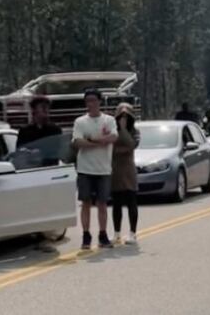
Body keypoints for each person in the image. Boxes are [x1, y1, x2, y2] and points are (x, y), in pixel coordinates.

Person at [72, 88, 118, 250]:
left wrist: (90, 139)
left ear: (99, 101)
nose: (90, 103)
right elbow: (78, 142)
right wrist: (98, 142)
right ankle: (86, 235)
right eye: (88, 101)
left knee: (102, 203)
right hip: (85, 168)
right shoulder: (80, 122)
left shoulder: (109, 120)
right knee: (85, 203)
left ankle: (103, 234)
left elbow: (113, 137)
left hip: (103, 168)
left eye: (93, 100)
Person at [111, 103, 140, 245]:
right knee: (116, 203)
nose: (123, 118)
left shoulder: (135, 132)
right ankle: (116, 233)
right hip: (115, 170)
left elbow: (130, 145)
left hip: (129, 170)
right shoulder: (112, 131)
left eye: (126, 116)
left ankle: (133, 233)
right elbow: (111, 149)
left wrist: (123, 129)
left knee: (131, 202)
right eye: (121, 116)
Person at [16, 96, 63, 167]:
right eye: (42, 107)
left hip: (50, 169)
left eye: (47, 107)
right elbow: (19, 150)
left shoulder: (55, 130)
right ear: (34, 110)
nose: (46, 110)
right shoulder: (25, 130)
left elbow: (59, 151)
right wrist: (28, 152)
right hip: (30, 169)